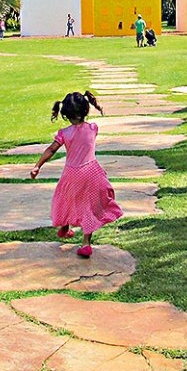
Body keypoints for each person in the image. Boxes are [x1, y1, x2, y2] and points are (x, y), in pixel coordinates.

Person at [30, 90, 123, 257]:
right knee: (89, 206)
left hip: (71, 173)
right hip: (91, 172)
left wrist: (38, 166)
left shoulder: (64, 133)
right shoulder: (93, 128)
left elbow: (51, 149)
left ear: (64, 113)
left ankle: (65, 227)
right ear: (86, 110)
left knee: (66, 199)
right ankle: (86, 243)